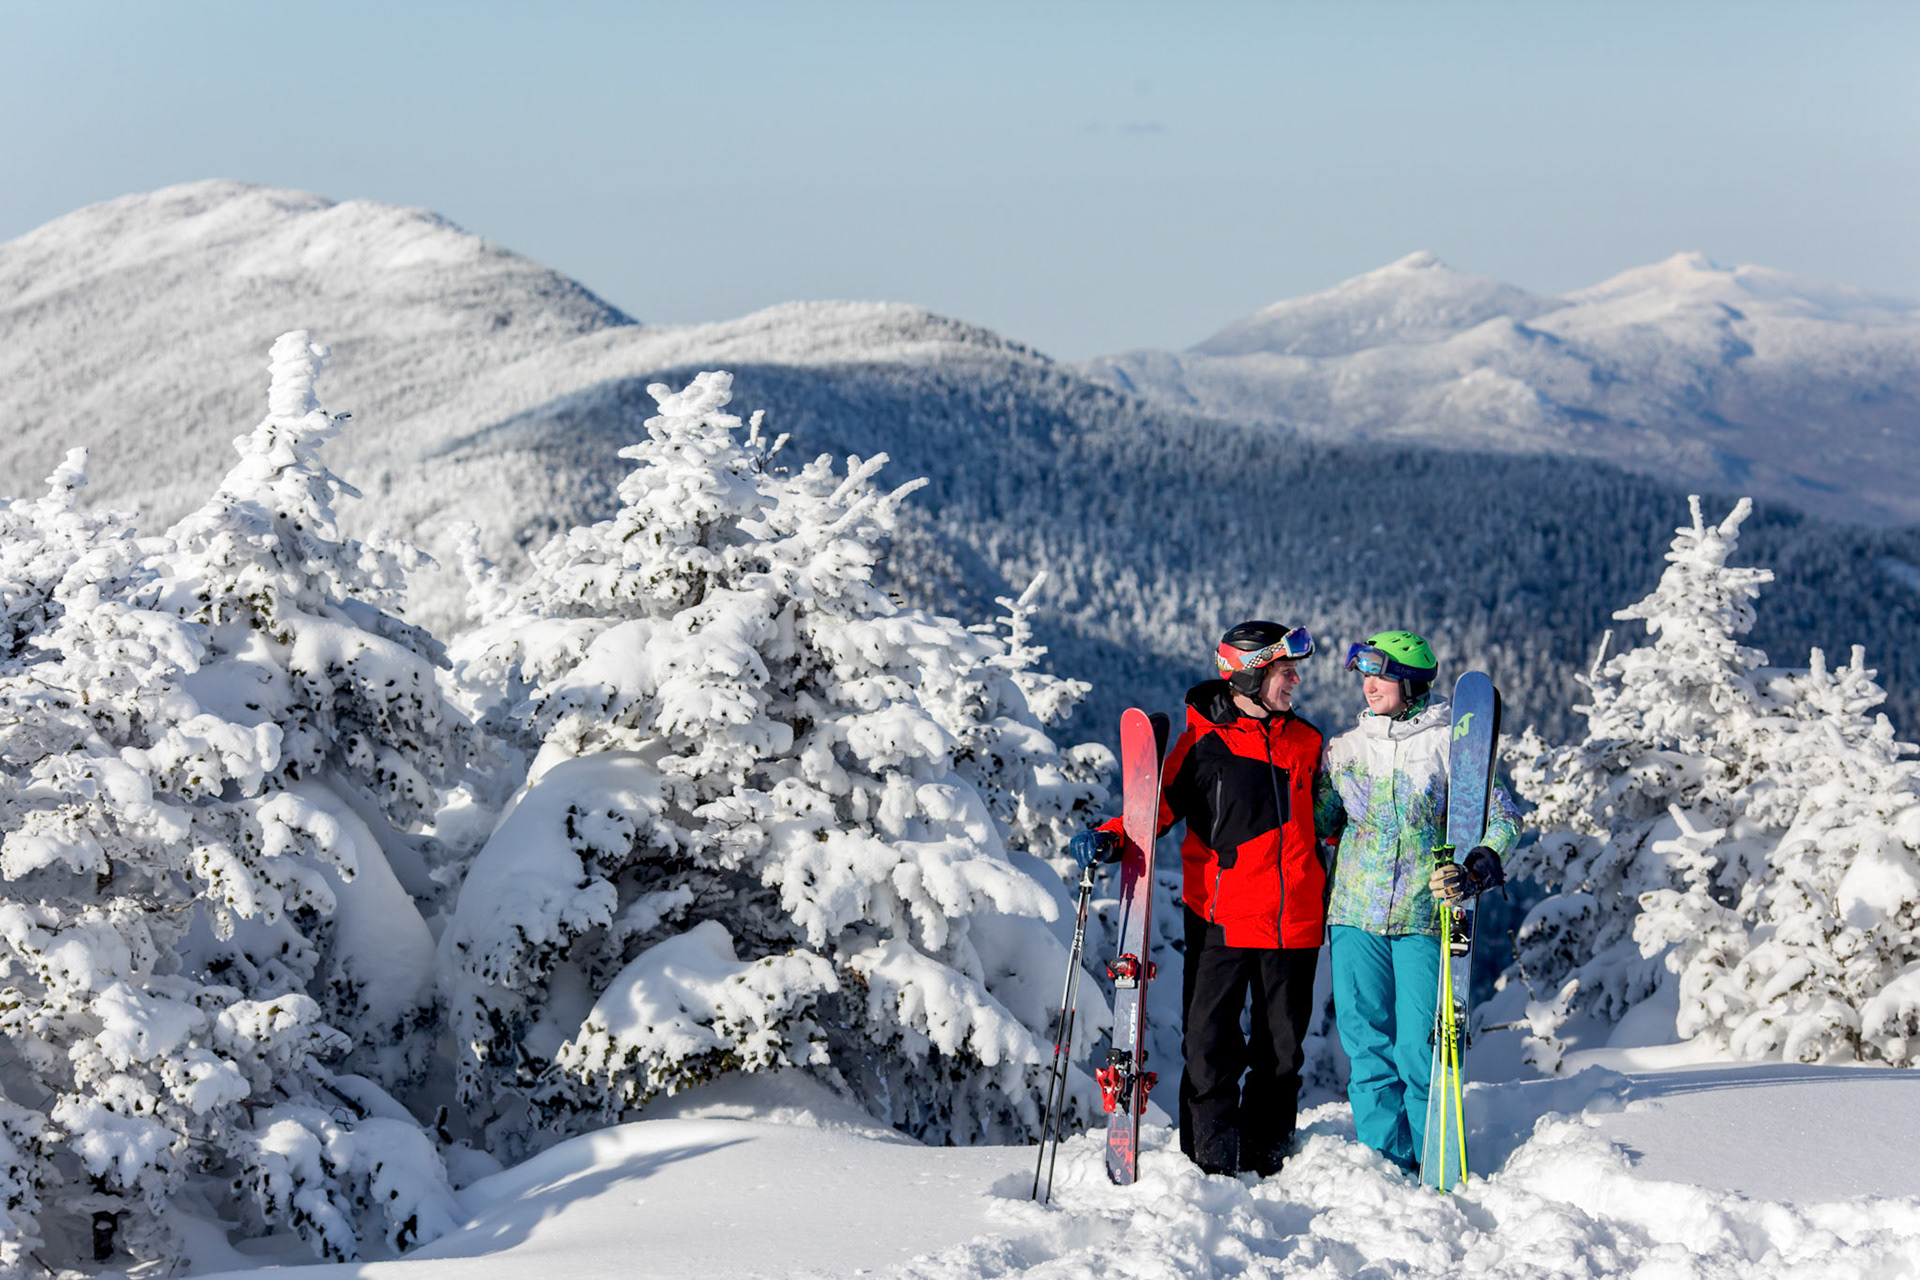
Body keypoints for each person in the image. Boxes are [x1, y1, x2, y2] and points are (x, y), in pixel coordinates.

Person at [1070, 620, 1326, 1177]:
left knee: (1281, 1053)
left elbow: (1333, 819)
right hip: (1221, 922)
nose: (1295, 681)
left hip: (1295, 924)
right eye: (1284, 672)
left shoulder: (1307, 743)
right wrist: (1111, 837)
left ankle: (1266, 1164)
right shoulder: (1203, 745)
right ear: (1250, 676)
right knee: (1209, 1047)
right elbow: (1153, 811)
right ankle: (1209, 1165)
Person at [1311, 630, 1520, 1173]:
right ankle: (1386, 1160)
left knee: (1421, 1048)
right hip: (1354, 915)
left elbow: (1503, 816)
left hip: (1424, 916)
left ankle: (1435, 1158)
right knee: (1365, 1046)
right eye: (1364, 675)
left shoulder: (1451, 743)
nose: (1369, 685)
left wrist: (1480, 863)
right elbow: (1321, 822)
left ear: (1410, 682)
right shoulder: (1344, 750)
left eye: (1380, 675)